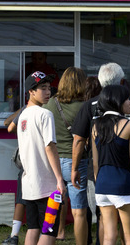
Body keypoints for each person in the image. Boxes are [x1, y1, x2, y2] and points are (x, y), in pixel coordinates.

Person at [17, 70, 65, 245]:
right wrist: (59, 179)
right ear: (31, 91)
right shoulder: (45, 114)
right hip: (47, 185)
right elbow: (50, 146)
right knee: (49, 229)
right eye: (42, 88)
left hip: (29, 183)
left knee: (33, 227)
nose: (48, 92)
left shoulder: (23, 115)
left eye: (49, 88)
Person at [43, 67, 90, 245]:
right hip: (76, 163)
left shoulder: (50, 104)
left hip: (53, 162)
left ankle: (51, 238)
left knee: (53, 207)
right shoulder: (84, 107)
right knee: (79, 212)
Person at [91, 84, 130, 245]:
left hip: (102, 186)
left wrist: (100, 182)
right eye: (127, 99)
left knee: (108, 237)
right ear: (116, 101)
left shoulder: (95, 126)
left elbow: (95, 163)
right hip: (122, 184)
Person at [2, 105, 27, 245]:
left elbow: (8, 124)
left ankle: (14, 235)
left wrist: (23, 108)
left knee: (21, 200)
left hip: (28, 164)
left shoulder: (28, 110)